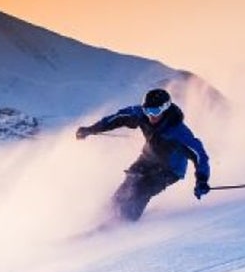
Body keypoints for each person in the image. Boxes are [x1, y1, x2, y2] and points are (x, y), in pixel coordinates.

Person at [75, 88, 211, 222]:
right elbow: (117, 118)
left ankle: (127, 219)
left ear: (165, 108)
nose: (151, 115)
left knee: (144, 187)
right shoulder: (141, 114)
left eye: (155, 111)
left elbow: (199, 155)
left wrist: (202, 180)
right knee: (131, 180)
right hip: (148, 158)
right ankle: (109, 211)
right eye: (148, 110)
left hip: (170, 169)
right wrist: (91, 129)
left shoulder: (178, 132)